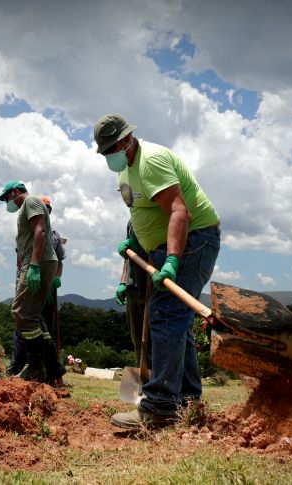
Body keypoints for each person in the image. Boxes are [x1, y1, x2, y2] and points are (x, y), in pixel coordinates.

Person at [94, 114, 221, 430]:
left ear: (126, 140)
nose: (109, 155)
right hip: (162, 245)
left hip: (195, 236)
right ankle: (187, 401)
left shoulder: (152, 161)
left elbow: (180, 211)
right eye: (104, 150)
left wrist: (173, 261)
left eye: (112, 147)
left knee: (165, 314)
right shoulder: (125, 170)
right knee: (175, 317)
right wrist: (135, 240)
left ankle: (160, 408)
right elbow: (141, 211)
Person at [0, 180, 59, 383]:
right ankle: (52, 367)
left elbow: (39, 230)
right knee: (34, 317)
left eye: (7, 197)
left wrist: (33, 266)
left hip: (37, 263)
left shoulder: (30, 202)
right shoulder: (26, 206)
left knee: (20, 312)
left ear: (15, 191)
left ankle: (34, 367)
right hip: (40, 262)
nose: (8, 202)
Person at [8, 195, 68, 387]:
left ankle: (38, 367)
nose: (46, 210)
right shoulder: (27, 229)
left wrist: (53, 280)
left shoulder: (53, 234)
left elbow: (58, 260)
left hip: (39, 272)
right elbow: (20, 256)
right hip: (30, 274)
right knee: (31, 322)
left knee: (25, 316)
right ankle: (49, 367)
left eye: (48, 208)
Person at [115, 220, 151, 369]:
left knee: (152, 338)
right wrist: (123, 282)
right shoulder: (132, 222)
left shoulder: (154, 216)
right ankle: (142, 372)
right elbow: (127, 257)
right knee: (137, 337)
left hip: (150, 286)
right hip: (132, 287)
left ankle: (155, 377)